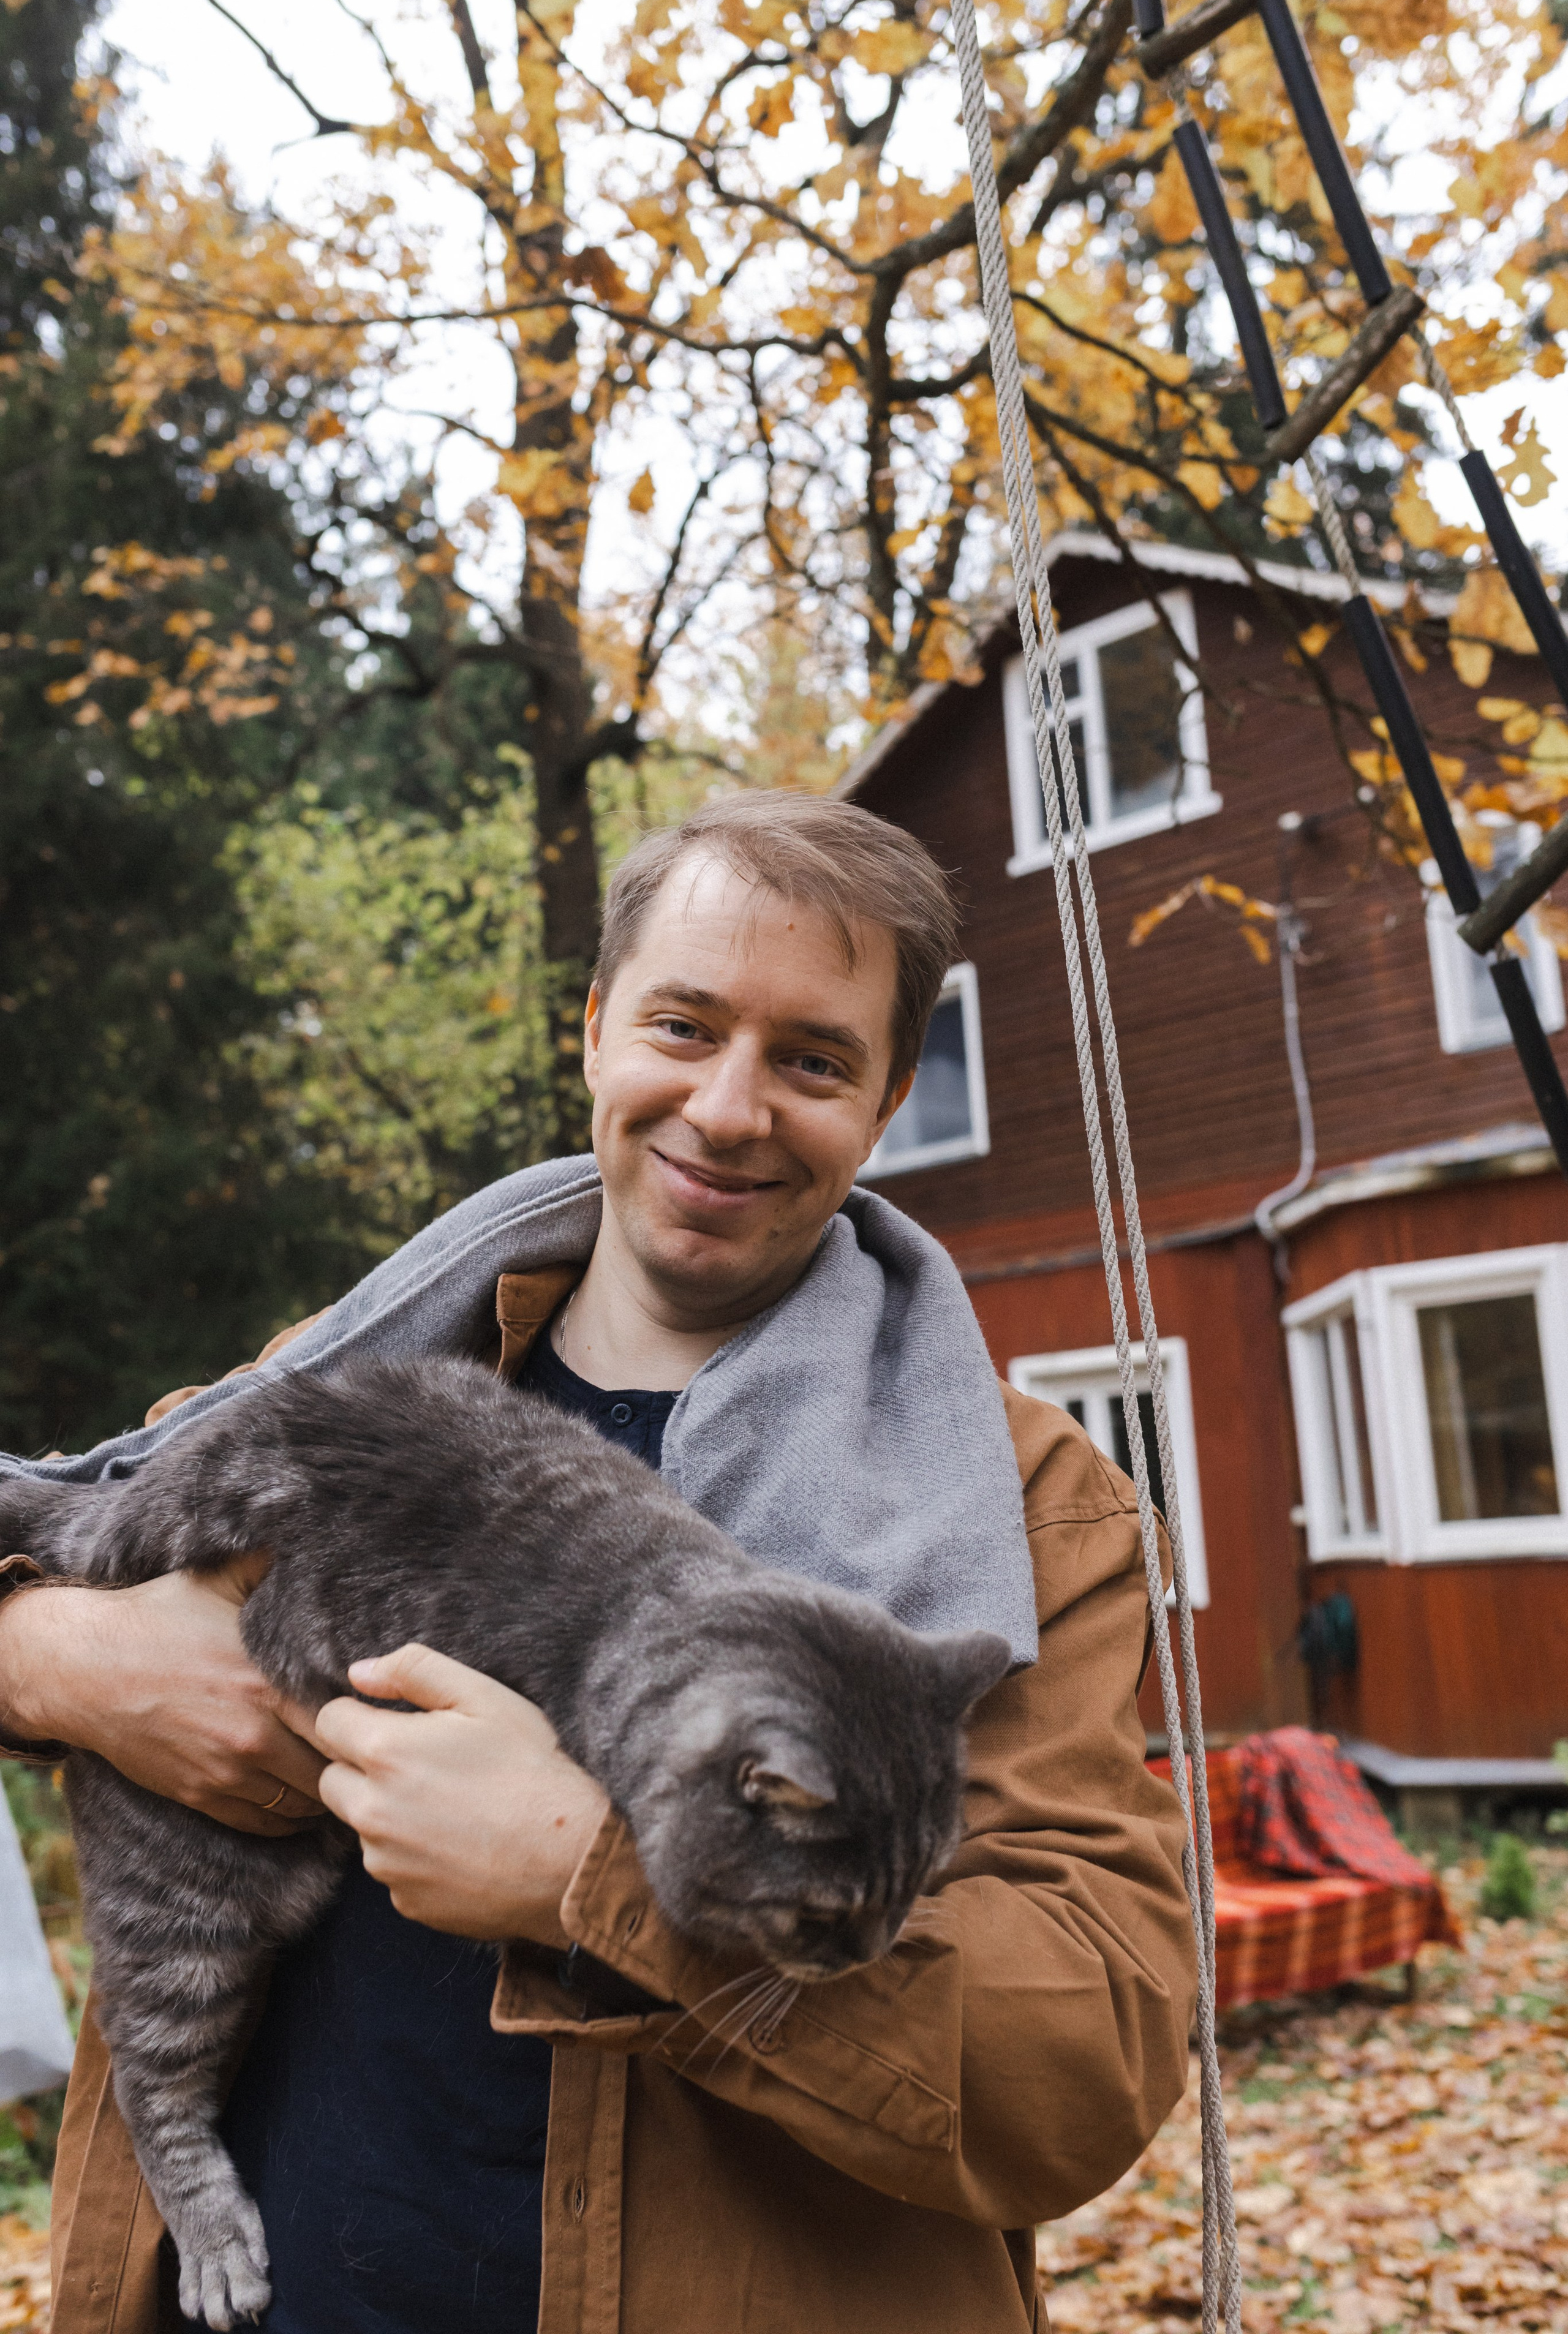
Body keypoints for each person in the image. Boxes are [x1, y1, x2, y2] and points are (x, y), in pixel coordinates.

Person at [0, 791, 1197, 2334]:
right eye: (683, 1027)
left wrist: (594, 1881)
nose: (730, 1107)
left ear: (887, 1100)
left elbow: (1081, 2072)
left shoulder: (1018, 1510)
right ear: (594, 1030)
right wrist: (53, 1659)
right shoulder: (350, 1365)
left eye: (812, 1060)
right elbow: (59, 1539)